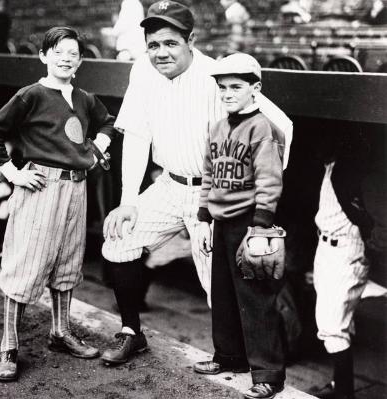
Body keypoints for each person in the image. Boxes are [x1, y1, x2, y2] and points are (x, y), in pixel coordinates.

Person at [101, 0, 293, 367]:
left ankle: (248, 364)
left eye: (171, 43)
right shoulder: (142, 71)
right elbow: (137, 136)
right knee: (119, 238)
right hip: (170, 185)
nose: (161, 52)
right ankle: (131, 332)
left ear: (192, 40)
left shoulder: (215, 73)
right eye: (153, 44)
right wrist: (128, 199)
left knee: (219, 289)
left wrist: (252, 196)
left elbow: (280, 126)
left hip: (215, 194)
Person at [0, 26, 116, 382]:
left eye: (73, 53)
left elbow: (107, 122)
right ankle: (8, 346)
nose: (66, 58)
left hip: (76, 188)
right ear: (44, 56)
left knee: (68, 261)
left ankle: (60, 332)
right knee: (26, 264)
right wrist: (13, 174)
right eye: (58, 52)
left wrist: (98, 144)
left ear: (81, 61)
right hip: (40, 186)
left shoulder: (84, 97)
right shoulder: (31, 94)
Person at [195, 53, 286, 399]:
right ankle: (230, 357)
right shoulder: (218, 127)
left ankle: (268, 374)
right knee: (224, 294)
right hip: (221, 221)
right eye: (223, 88)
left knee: (256, 299)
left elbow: (269, 180)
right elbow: (208, 176)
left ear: (255, 88)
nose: (228, 93)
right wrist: (203, 218)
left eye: (236, 87)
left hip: (249, 223)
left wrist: (261, 226)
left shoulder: (262, 127)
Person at [307, 130, 386, 399]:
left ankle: (344, 393)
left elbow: (371, 214)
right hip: (326, 248)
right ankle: (339, 385)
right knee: (340, 322)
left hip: (344, 249)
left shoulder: (349, 171)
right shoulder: (332, 167)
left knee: (332, 325)